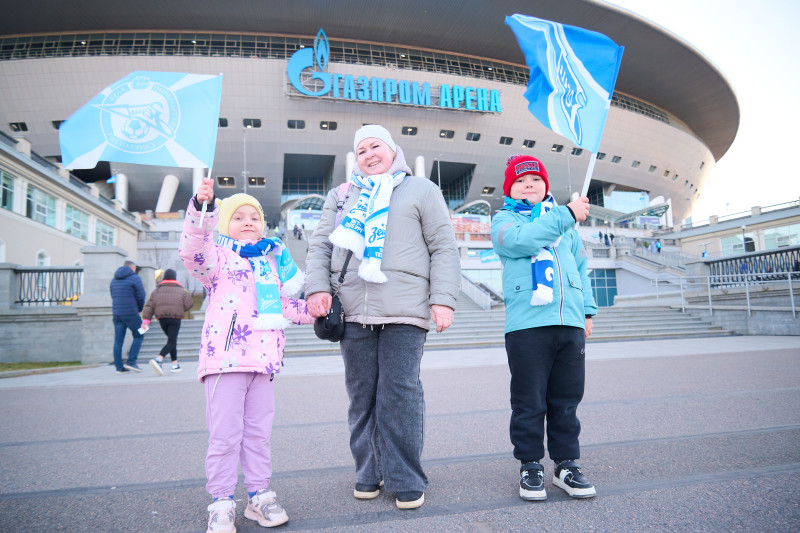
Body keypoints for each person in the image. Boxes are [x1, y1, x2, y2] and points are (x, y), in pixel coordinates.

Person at [305, 124, 460, 510]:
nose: (369, 154)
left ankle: (405, 477)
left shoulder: (421, 189)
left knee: (399, 393)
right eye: (361, 150)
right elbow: (320, 246)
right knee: (362, 396)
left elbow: (443, 247)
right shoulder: (341, 196)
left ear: (393, 150)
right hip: (354, 309)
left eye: (376, 146)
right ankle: (368, 472)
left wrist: (443, 299)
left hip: (406, 308)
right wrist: (317, 288)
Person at [179, 180, 313, 532]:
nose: (248, 221)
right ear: (225, 225)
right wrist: (201, 210)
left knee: (257, 434)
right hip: (224, 361)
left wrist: (318, 309)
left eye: (254, 216)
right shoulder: (218, 259)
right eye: (238, 216)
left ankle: (258, 495)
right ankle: (221, 502)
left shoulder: (270, 261)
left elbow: (285, 305)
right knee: (224, 435)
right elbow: (193, 250)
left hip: (264, 362)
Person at [490, 154, 598, 502]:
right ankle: (530, 464)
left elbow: (581, 266)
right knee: (529, 401)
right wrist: (564, 215)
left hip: (568, 322)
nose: (529, 185)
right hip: (528, 326)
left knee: (567, 400)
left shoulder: (565, 225)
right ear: (510, 189)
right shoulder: (504, 220)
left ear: (545, 185)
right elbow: (526, 240)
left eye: (535, 179)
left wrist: (588, 312)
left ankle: (567, 465)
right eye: (520, 181)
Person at [141, 268, 194, 375]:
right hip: (175, 319)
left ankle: (175, 365)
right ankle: (158, 359)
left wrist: (146, 320)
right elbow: (189, 303)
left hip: (162, 319)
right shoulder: (181, 291)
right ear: (175, 277)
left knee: (171, 340)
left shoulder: (157, 291)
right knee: (171, 341)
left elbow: (149, 306)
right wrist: (181, 308)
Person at [109, 260, 146, 374]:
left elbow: (113, 295)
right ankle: (131, 361)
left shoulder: (114, 280)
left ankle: (119, 367)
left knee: (118, 341)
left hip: (117, 315)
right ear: (133, 268)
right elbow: (141, 296)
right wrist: (139, 309)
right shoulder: (135, 278)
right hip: (131, 313)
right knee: (141, 333)